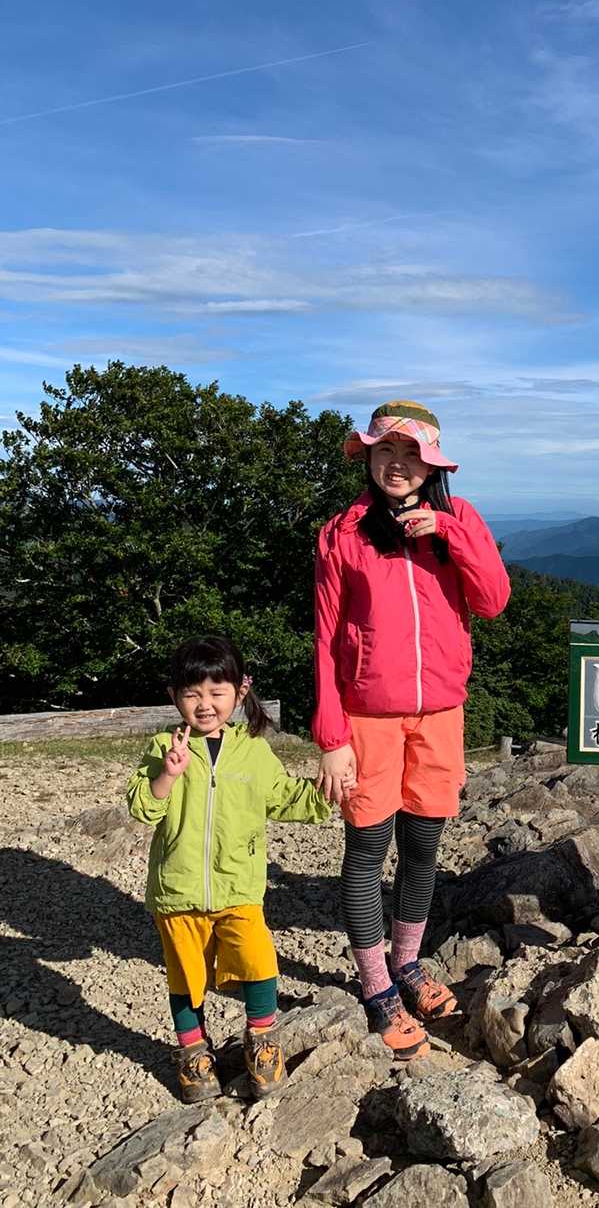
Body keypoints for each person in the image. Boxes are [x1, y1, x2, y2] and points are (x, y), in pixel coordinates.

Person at [312, 401, 510, 1061]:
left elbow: (493, 600)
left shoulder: (461, 520)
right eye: (384, 451)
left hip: (440, 713)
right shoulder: (343, 533)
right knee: (368, 849)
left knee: (423, 846)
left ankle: (407, 963)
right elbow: (326, 638)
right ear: (368, 458)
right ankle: (376, 987)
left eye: (410, 454)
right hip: (367, 716)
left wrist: (448, 532)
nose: (395, 465)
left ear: (433, 466)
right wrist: (331, 736)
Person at [127, 635, 335, 1103]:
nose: (204, 705)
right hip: (177, 892)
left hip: (240, 886)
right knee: (186, 978)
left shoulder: (253, 751)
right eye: (192, 694)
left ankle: (261, 1040)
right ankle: (194, 1053)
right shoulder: (164, 745)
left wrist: (328, 791)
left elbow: (284, 797)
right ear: (174, 696)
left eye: (216, 692)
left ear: (241, 692)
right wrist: (168, 774)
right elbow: (142, 808)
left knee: (259, 962)